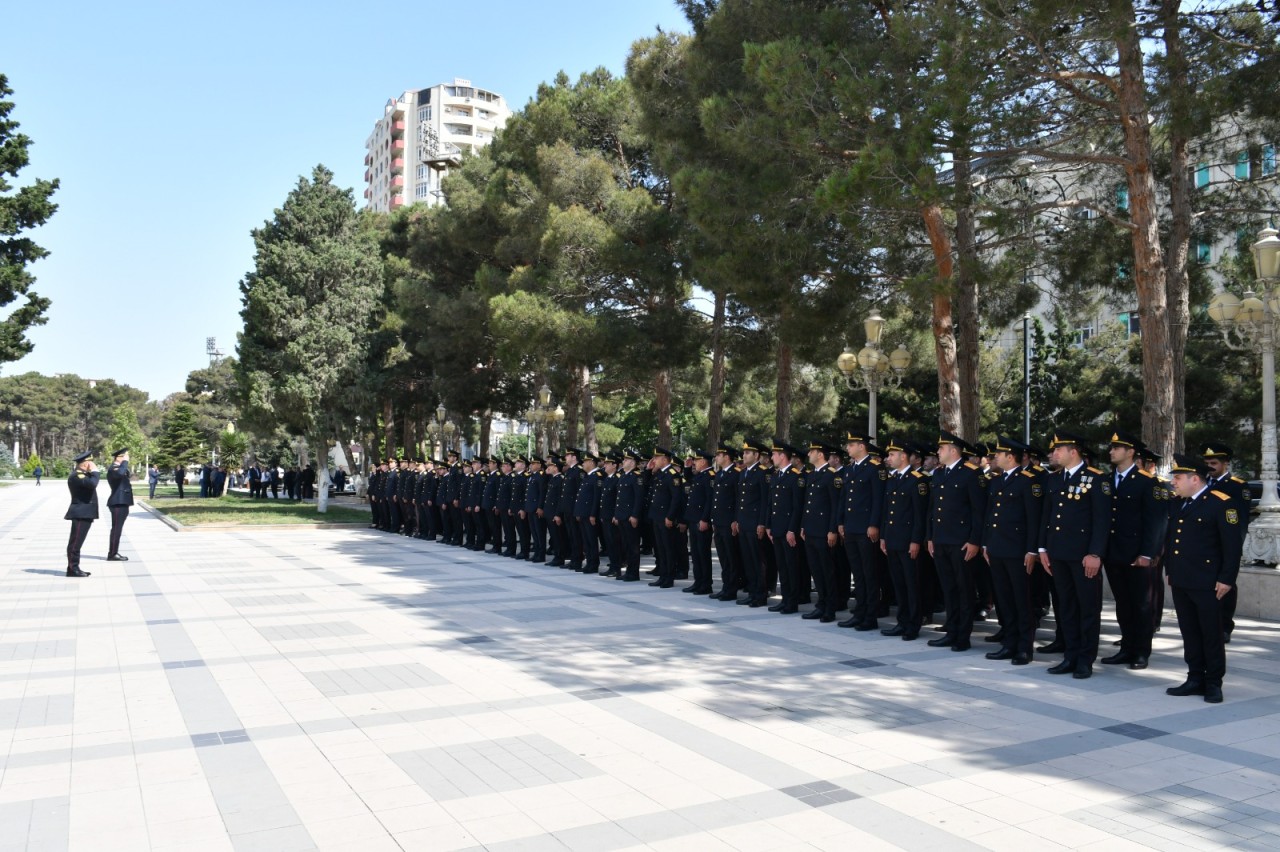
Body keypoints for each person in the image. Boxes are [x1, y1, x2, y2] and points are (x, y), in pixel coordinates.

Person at [1164, 453, 1243, 704]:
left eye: (1178, 478)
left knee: (1211, 633)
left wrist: (1227, 579)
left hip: (1209, 582)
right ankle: (1195, 677)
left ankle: (1213, 683)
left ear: (1194, 479)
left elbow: (1232, 547)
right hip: (1182, 579)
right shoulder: (1179, 503)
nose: (1173, 482)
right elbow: (1173, 540)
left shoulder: (1221, 503)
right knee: (1189, 632)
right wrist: (1171, 571)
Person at [1038, 431, 1111, 680]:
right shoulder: (1055, 479)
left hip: (1083, 556)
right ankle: (1069, 655)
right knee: (1066, 607)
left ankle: (1085, 659)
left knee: (1087, 608)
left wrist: (1095, 553)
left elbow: (1102, 521)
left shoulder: (1095, 479)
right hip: (1057, 553)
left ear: (1073, 451)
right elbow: (1046, 517)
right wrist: (1042, 549)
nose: (1053, 454)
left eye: (1058, 450)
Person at [1101, 431, 1167, 671]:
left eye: (1117, 448)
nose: (1111, 451)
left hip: (1137, 555)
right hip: (1114, 553)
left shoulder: (1147, 482)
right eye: (1111, 447)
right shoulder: (1107, 480)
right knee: (1123, 604)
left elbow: (1156, 522)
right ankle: (1126, 648)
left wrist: (1148, 554)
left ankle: (1141, 651)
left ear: (1130, 452)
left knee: (1142, 604)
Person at [981, 437, 1041, 664]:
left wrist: (1032, 550)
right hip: (997, 548)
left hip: (1018, 551)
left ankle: (1024, 647)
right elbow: (989, 516)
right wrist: (986, 543)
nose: (994, 457)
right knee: (1004, 600)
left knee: (1021, 601)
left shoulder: (1027, 481)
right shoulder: (996, 482)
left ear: (1010, 457)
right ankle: (1009, 643)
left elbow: (1033, 520)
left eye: (999, 454)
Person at [926, 431, 987, 652]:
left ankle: (963, 635)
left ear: (953, 450)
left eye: (941, 449)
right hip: (941, 540)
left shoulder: (971, 474)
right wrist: (930, 537)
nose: (938, 452)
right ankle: (951, 630)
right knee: (948, 587)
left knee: (964, 589)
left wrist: (974, 541)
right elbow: (932, 510)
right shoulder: (939, 474)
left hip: (962, 543)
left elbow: (978, 512)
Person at [1200, 443, 1250, 644]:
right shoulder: (1203, 483)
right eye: (1207, 463)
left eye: (1214, 463)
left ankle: (1225, 625)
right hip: (1206, 545)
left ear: (1225, 464)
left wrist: (1235, 547)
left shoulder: (1237, 486)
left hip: (1225, 545)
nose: (1210, 466)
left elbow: (1241, 520)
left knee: (1226, 585)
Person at [65, 451, 98, 577]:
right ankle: (73, 568)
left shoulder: (83, 475)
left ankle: (73, 567)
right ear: (84, 464)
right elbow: (93, 483)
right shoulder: (77, 476)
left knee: (77, 542)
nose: (92, 465)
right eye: (90, 463)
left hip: (85, 513)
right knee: (75, 542)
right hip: (80, 513)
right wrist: (95, 472)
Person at [106, 448, 134, 561]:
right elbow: (120, 474)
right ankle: (112, 553)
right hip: (118, 502)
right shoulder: (114, 469)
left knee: (118, 528)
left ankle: (113, 552)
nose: (127, 458)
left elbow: (125, 473)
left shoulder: (119, 468)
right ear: (119, 457)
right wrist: (125, 462)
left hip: (122, 502)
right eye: (124, 456)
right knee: (116, 529)